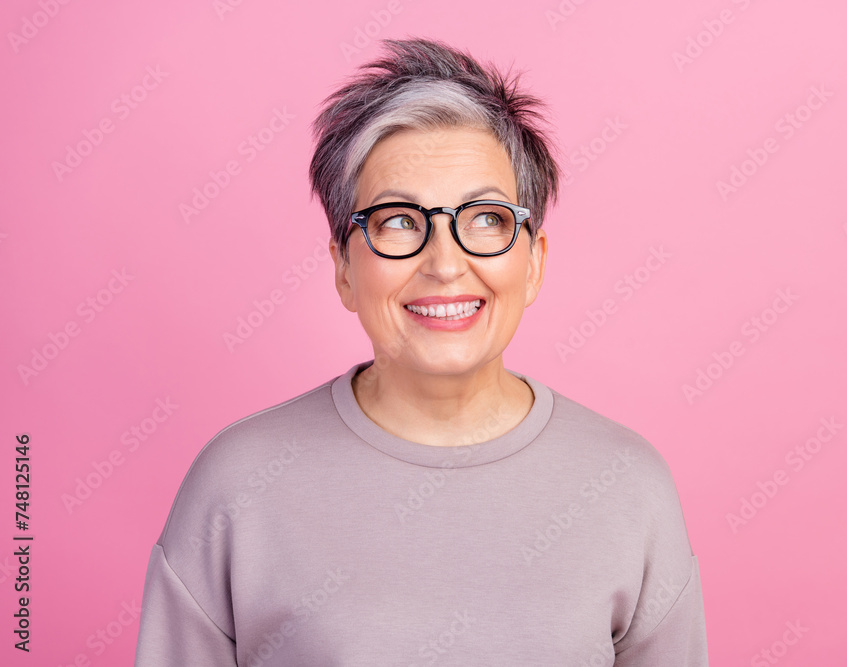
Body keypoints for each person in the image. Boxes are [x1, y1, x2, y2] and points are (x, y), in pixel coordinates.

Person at [134, 37, 708, 665]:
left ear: (535, 262)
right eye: (400, 220)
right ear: (345, 269)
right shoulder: (235, 486)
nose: (444, 264)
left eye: (486, 218)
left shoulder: (628, 486)